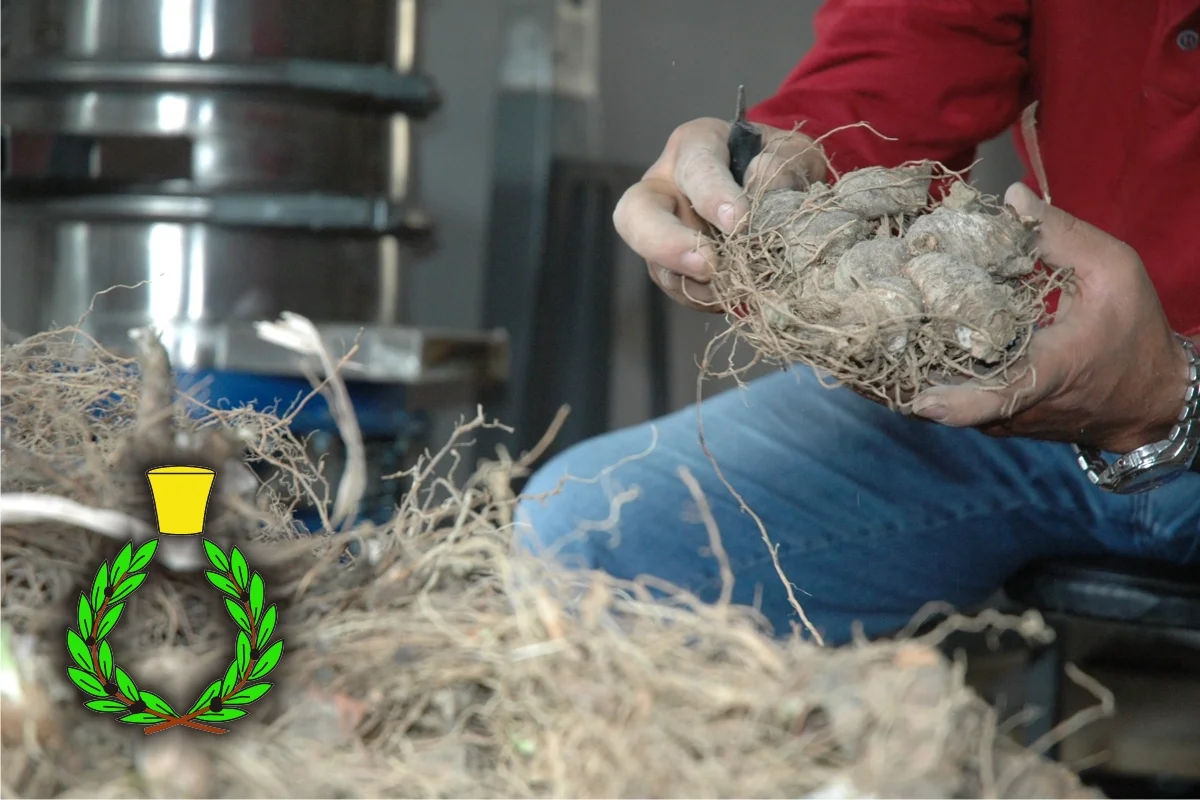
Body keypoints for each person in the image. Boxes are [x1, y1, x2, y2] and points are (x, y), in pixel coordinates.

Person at [517, 0, 1200, 645]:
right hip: (1026, 382)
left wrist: (1174, 388)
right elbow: (905, 53)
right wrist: (774, 176)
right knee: (587, 538)